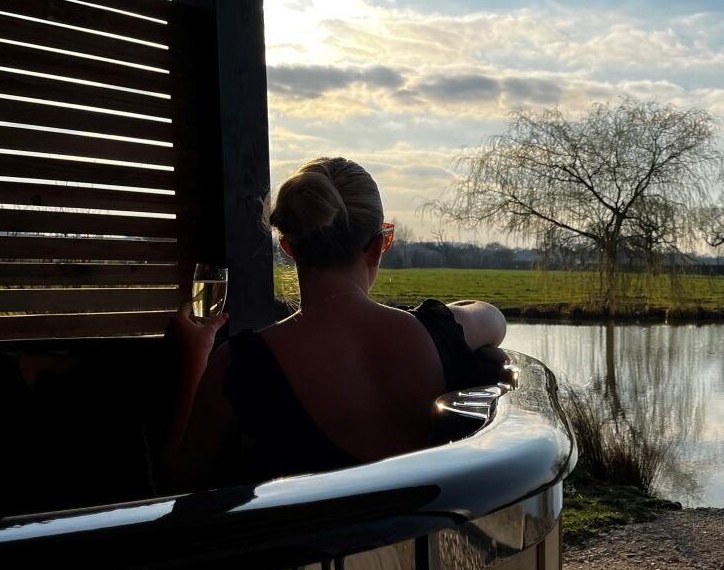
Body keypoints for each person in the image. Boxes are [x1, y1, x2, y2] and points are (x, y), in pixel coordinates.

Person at [165, 156, 506, 489]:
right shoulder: (436, 331)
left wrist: (196, 359)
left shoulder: (240, 363)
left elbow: (180, 480)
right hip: (422, 543)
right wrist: (429, 316)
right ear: (378, 247)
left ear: (288, 247)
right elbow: (493, 318)